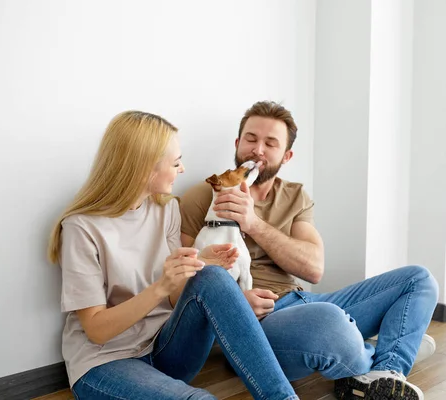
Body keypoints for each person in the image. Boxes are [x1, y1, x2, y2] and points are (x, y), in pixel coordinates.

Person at [180, 101, 439, 400]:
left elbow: (313, 268)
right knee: (330, 323)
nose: (258, 150)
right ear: (238, 144)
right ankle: (391, 347)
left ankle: (383, 370)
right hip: (255, 324)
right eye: (251, 139)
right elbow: (184, 284)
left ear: (286, 156)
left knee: (419, 280)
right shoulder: (205, 195)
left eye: (271, 143)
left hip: (306, 300)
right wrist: (234, 304)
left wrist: (253, 223)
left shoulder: (295, 195)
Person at [47, 111, 299, 400]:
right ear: (145, 168)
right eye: (176, 162)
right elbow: (96, 331)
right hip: (105, 363)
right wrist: (162, 286)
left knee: (212, 276)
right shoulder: (82, 227)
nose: (182, 169)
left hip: (165, 348)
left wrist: (196, 266)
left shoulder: (166, 210)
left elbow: (171, 299)